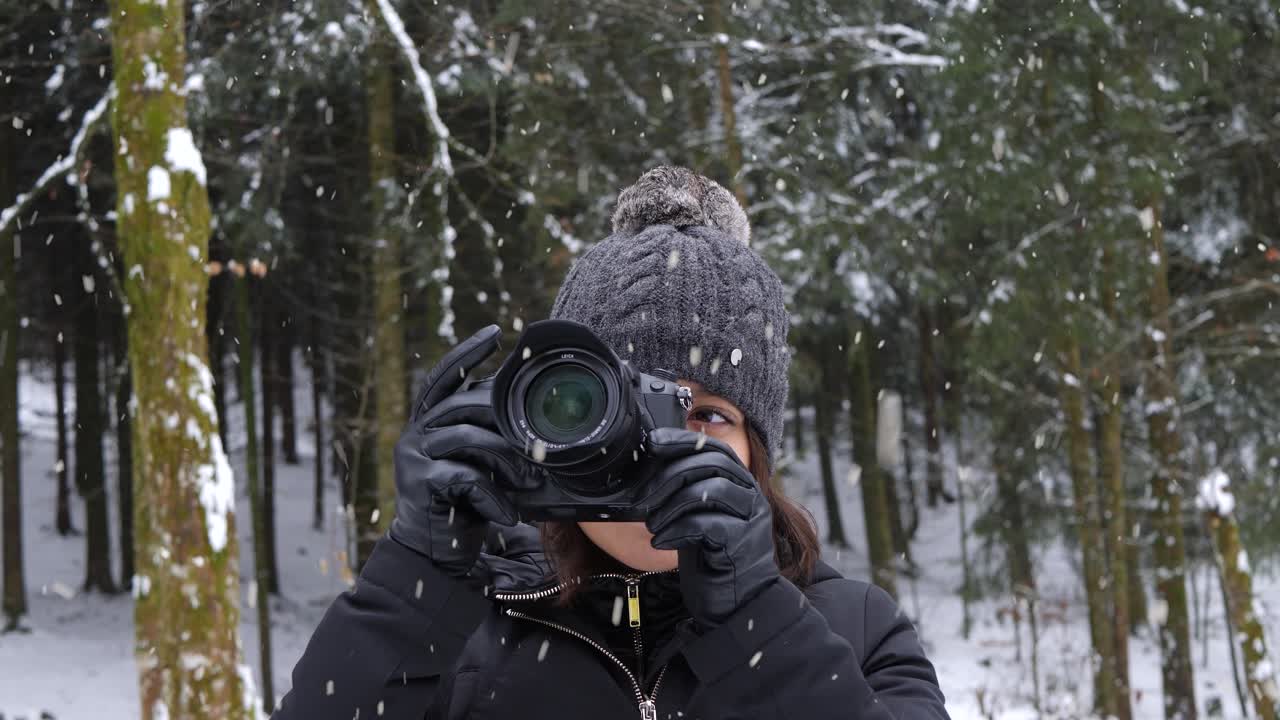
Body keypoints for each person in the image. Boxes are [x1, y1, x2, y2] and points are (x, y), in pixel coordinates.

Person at [274, 166, 949, 719]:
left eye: (708, 415)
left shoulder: (852, 629)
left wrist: (755, 626)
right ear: (545, 419)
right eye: (623, 407)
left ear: (758, 454)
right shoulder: (462, 633)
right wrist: (414, 581)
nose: (664, 448)